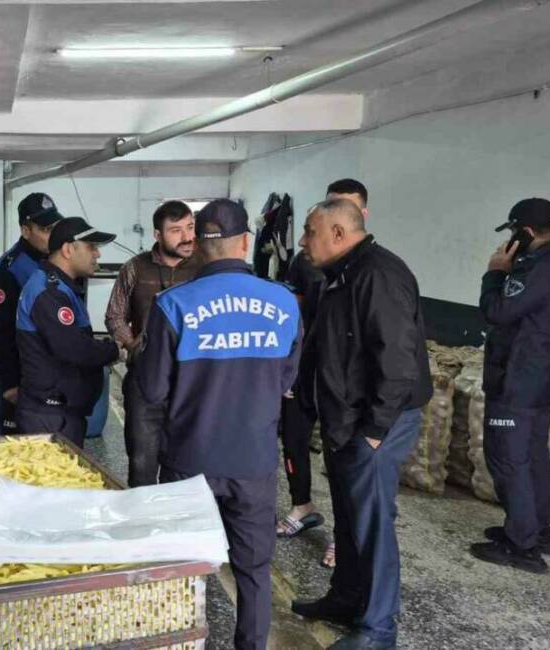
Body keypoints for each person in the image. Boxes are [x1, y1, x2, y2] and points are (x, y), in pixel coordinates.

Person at [138, 199, 302, 650]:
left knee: (183, 567)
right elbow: (285, 380)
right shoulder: (284, 303)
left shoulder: (173, 305)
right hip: (254, 461)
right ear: (246, 242)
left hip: (190, 460)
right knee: (254, 570)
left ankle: (181, 642)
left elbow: (151, 390)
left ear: (197, 245)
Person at [290, 198, 432, 650]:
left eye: (310, 231)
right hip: (346, 420)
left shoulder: (377, 275)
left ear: (338, 233)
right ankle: (346, 600)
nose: (302, 240)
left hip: (374, 423)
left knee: (372, 526)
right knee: (350, 519)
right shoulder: (340, 274)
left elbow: (398, 361)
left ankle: (378, 630)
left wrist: (374, 430)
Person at [278, 179, 370, 568]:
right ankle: (302, 506)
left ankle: (343, 533)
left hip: (344, 377)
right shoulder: (306, 260)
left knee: (340, 455)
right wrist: (288, 364)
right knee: (293, 437)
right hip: (307, 365)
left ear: (360, 215)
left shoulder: (369, 269)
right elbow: (292, 313)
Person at [469, 197, 550, 573]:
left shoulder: (539, 267)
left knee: (508, 458)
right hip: (542, 379)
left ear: (527, 231)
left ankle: (522, 546)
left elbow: (498, 311)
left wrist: (495, 272)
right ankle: (538, 531)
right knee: (533, 455)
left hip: (518, 380)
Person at [104, 200, 199, 486]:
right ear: (158, 234)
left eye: (190, 227)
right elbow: (115, 315)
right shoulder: (135, 268)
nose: (186, 237)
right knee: (142, 462)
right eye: (176, 230)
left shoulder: (204, 267)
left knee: (187, 464)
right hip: (146, 380)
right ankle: (142, 512)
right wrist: (134, 347)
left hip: (193, 381)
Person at [16, 217, 120, 447]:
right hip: (49, 416)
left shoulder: (60, 287)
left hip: (59, 413)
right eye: (91, 246)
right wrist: (115, 350)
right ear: (68, 249)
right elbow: (74, 348)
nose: (97, 254)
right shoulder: (49, 292)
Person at [0, 193, 64, 433]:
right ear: (25, 230)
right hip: (24, 380)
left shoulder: (55, 263)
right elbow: (0, 332)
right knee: (22, 447)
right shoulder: (8, 271)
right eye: (45, 229)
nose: (53, 235)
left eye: (55, 228)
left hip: (53, 377)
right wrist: (9, 383)